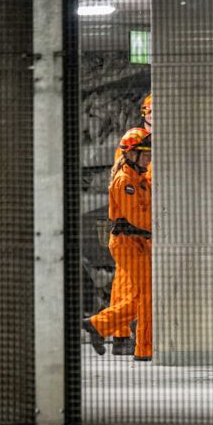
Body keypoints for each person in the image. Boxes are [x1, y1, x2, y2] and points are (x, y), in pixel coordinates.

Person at [82, 127, 154, 362]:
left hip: (138, 242)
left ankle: (98, 325)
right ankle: (144, 349)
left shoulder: (140, 180)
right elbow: (138, 217)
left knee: (139, 296)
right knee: (146, 295)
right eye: (144, 153)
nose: (148, 157)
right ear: (131, 154)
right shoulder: (125, 182)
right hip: (127, 243)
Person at [107, 93, 153, 355]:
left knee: (141, 290)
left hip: (146, 227)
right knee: (129, 285)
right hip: (134, 227)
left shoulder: (152, 145)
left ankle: (108, 329)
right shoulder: (131, 146)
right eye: (150, 112)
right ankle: (121, 335)